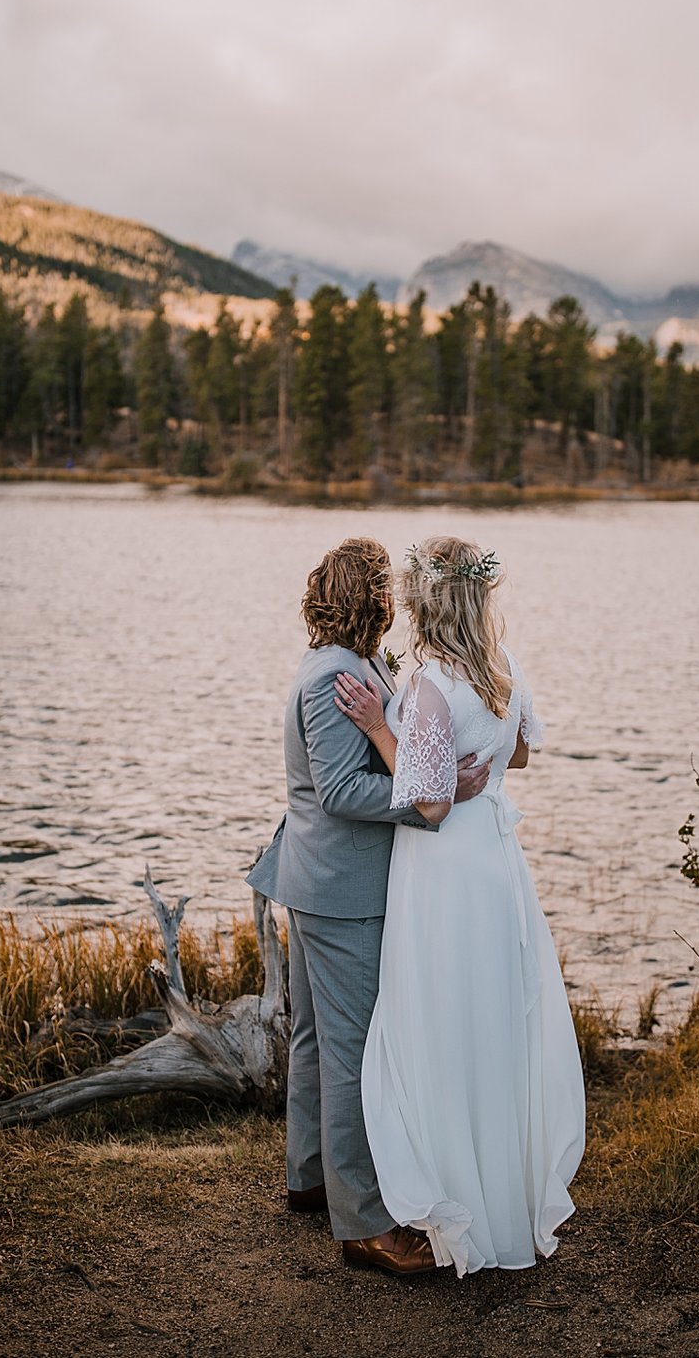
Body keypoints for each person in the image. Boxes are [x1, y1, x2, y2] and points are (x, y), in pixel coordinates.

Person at [333, 535, 586, 1277]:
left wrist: (382, 727)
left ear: (424, 603)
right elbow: (522, 756)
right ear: (476, 599)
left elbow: (433, 804)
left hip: (442, 871)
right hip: (497, 868)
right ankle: (505, 1197)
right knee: (494, 1020)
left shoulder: (430, 686)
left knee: (441, 1020)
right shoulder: (504, 670)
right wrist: (469, 758)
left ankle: (455, 1199)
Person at [246, 537, 490, 1276]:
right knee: (352, 1052)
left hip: (325, 882)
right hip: (339, 890)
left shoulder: (361, 663)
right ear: (371, 599)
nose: (396, 601)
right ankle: (364, 1225)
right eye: (387, 589)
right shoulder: (333, 676)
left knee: (318, 1040)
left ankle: (311, 1177)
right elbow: (339, 792)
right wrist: (430, 803)